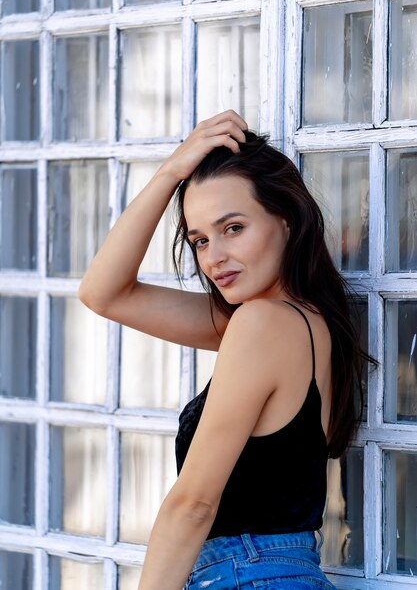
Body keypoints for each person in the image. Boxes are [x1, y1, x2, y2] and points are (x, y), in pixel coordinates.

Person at [79, 109, 372, 590]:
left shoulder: (261, 324)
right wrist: (173, 171)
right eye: (199, 239)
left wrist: (174, 170)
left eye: (233, 228)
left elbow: (193, 504)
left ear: (286, 221)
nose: (214, 257)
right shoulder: (296, 320)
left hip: (246, 575)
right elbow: (104, 293)